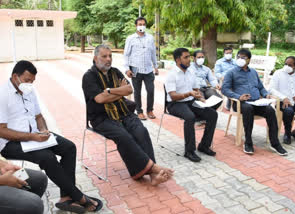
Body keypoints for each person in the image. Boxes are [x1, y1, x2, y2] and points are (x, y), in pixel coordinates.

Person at [0, 60, 103, 214]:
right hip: (11, 143)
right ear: (15, 76)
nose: (30, 84)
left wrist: (44, 131)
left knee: (69, 147)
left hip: (35, 137)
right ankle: (78, 196)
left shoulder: (29, 90)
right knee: (47, 158)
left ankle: (65, 197)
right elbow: (1, 130)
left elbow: (39, 116)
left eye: (32, 81)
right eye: (27, 80)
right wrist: (32, 137)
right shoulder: (2, 95)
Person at [82, 44, 173, 185]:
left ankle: (152, 176)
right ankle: (152, 168)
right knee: (124, 136)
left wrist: (110, 91)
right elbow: (100, 99)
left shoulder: (115, 72)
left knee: (141, 131)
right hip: (101, 118)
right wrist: (119, 91)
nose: (108, 59)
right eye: (104, 56)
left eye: (110, 56)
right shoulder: (89, 76)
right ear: (95, 58)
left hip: (123, 112)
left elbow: (129, 90)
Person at [222, 49, 288, 156]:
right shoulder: (231, 73)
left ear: (249, 60)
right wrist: (239, 97)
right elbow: (225, 89)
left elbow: (261, 87)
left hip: (256, 102)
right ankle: (248, 142)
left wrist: (266, 94)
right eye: (238, 57)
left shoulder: (253, 72)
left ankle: (275, 143)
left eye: (243, 57)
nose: (240, 59)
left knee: (270, 110)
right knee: (248, 109)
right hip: (240, 103)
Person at [164, 48, 218, 162]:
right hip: (175, 104)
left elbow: (195, 89)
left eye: (189, 57)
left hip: (190, 101)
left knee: (212, 114)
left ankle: (204, 145)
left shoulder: (191, 72)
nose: (189, 60)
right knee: (190, 117)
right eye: (186, 57)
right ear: (178, 60)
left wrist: (200, 97)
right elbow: (173, 96)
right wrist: (188, 93)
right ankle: (189, 151)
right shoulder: (172, 74)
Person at [124, 17, 158, 120]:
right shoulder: (130, 38)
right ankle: (139, 111)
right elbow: (126, 54)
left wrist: (155, 66)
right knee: (137, 92)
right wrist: (127, 69)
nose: (141, 26)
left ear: (145, 26)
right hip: (135, 70)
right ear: (136, 26)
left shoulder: (150, 38)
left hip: (148, 70)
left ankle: (150, 110)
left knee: (151, 90)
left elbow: (153, 53)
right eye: (139, 24)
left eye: (143, 24)